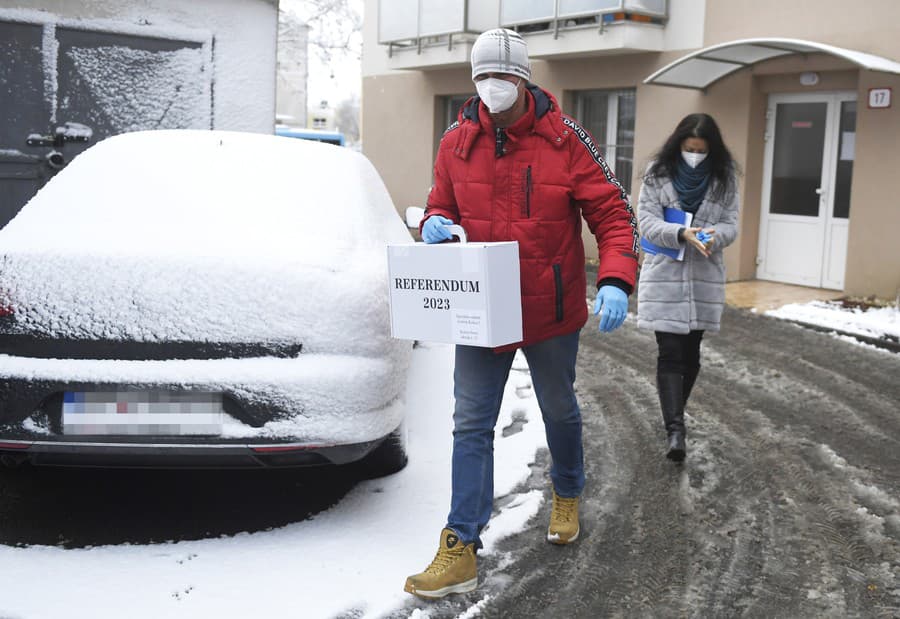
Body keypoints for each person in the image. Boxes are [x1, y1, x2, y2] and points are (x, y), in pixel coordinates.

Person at [403, 28, 639, 600]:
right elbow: (442, 203)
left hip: (550, 311)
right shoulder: (456, 141)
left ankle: (566, 490)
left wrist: (615, 280)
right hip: (481, 311)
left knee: (559, 408)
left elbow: (612, 212)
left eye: (503, 77)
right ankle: (460, 544)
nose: (492, 87)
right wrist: (431, 224)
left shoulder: (565, 141)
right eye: (483, 76)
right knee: (470, 424)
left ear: (524, 80)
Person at [635, 113, 740, 462]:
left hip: (703, 275)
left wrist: (713, 236)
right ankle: (675, 430)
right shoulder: (657, 174)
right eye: (689, 148)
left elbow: (731, 223)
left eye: (701, 150)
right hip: (665, 272)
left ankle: (674, 413)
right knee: (669, 353)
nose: (694, 155)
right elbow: (646, 221)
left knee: (691, 355)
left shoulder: (724, 178)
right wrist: (679, 233)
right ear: (679, 144)